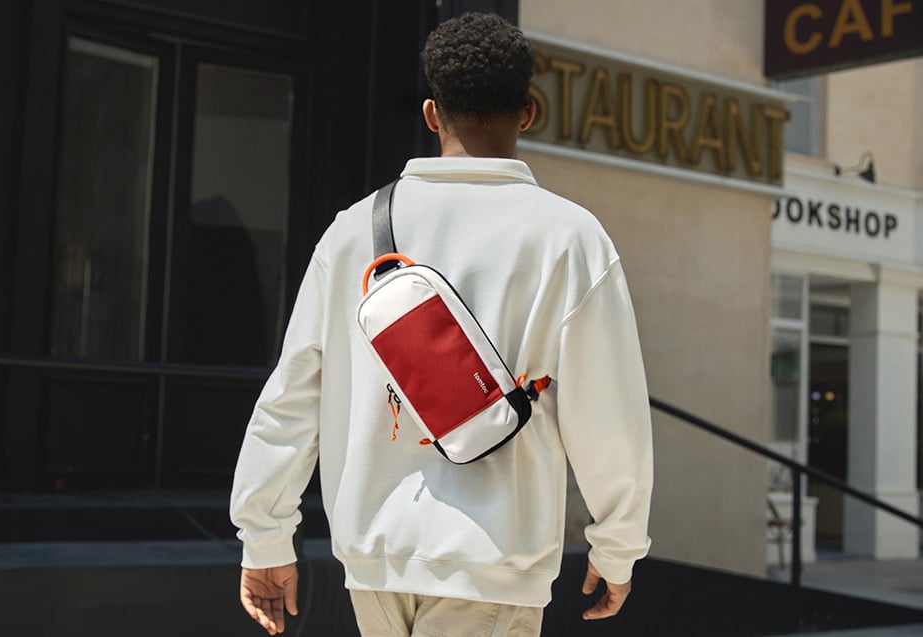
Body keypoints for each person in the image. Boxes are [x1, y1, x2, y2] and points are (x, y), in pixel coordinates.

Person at [230, 12, 653, 636]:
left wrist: (265, 535)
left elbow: (294, 393)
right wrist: (617, 545)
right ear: (529, 112)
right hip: (493, 561)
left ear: (432, 114)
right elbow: (608, 411)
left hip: (375, 561)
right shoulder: (571, 239)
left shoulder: (353, 231)